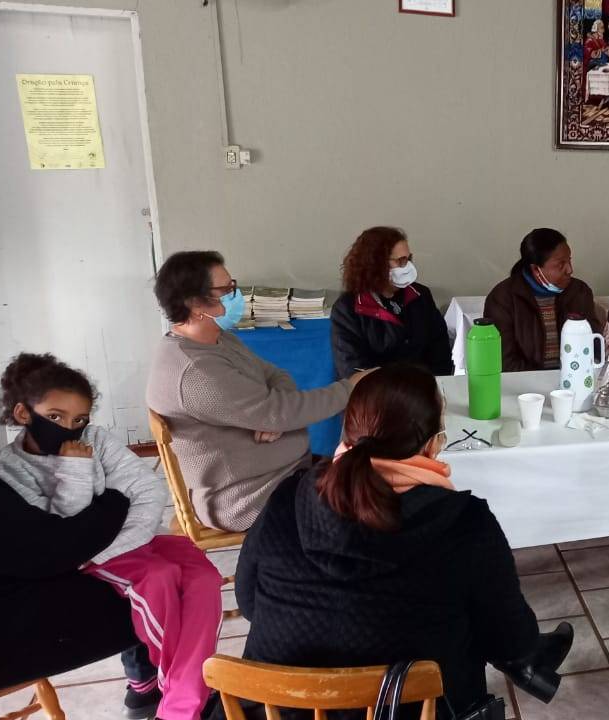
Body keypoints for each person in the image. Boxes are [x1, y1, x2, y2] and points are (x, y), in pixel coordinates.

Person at [231, 364, 574, 718]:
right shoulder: (464, 524)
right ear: (433, 445)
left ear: (348, 431)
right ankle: (532, 670)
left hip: (279, 708)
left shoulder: (289, 496)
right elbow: (512, 640)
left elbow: (249, 601)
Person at [0, 353, 222, 720]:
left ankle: (185, 693)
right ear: (24, 414)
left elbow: (149, 492)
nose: (70, 427)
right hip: (95, 554)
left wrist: (117, 541)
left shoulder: (96, 438)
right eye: (55, 417)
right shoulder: (11, 470)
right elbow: (67, 526)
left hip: (129, 541)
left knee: (205, 578)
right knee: (161, 581)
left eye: (79, 419)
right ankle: (179, 705)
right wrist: (76, 469)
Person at [146, 251, 369, 532]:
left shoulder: (218, 339)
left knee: (366, 477)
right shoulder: (196, 372)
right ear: (193, 302)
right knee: (366, 505)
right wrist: (349, 389)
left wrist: (273, 415)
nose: (235, 294)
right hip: (248, 498)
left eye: (233, 286)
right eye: (226, 289)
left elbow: (277, 375)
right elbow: (282, 412)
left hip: (281, 472)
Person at [0, 459, 162, 719]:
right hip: (3, 639)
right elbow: (51, 552)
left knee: (136, 563)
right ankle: (167, 694)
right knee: (161, 583)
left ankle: (146, 684)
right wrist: (116, 499)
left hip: (12, 594)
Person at [330, 226, 454, 380]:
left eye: (408, 259)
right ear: (375, 264)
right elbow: (353, 369)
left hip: (423, 390)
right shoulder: (348, 308)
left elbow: (439, 349)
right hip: (376, 395)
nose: (407, 266)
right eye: (400, 261)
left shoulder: (420, 295)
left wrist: (434, 386)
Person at [484, 228, 602, 372]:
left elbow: (594, 344)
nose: (570, 269)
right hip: (524, 386)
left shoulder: (579, 291)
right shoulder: (503, 298)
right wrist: (544, 381)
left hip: (574, 378)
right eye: (560, 264)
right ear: (536, 269)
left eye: (569, 260)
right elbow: (504, 361)